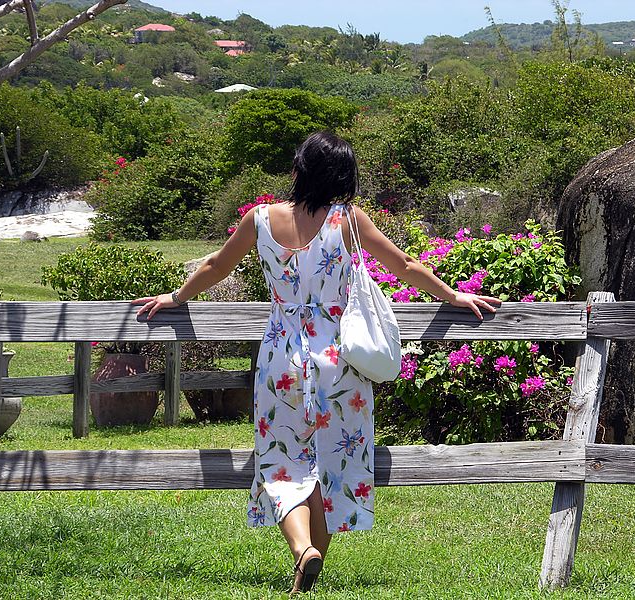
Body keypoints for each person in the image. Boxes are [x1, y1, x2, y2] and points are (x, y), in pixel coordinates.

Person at [131, 131, 501, 595]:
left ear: (299, 169)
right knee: (333, 462)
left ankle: (303, 550)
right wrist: (451, 294)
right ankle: (313, 559)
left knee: (280, 462)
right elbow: (404, 264)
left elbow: (216, 268)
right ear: (343, 177)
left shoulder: (260, 219)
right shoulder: (348, 221)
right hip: (340, 361)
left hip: (281, 359)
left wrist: (175, 296)